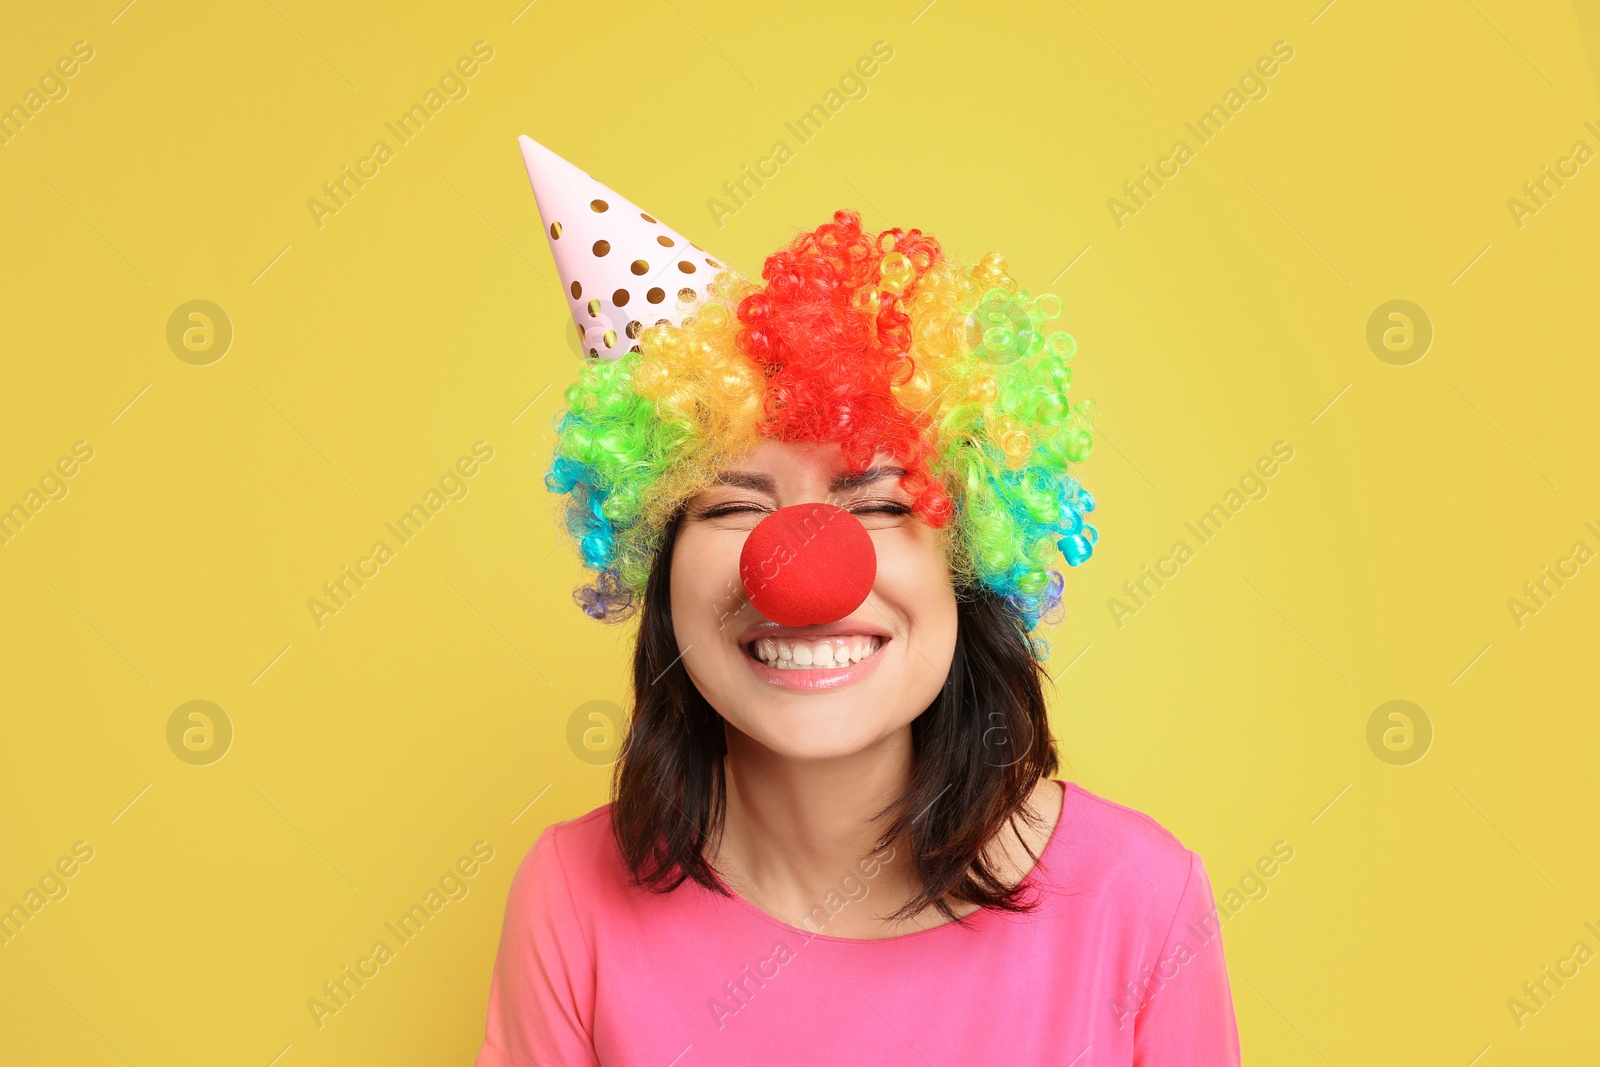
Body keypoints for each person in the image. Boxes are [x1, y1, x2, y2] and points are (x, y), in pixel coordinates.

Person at [474, 137, 1241, 1066]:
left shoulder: (1141, 902)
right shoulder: (570, 899)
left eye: (878, 502)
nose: (800, 566)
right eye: (731, 503)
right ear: (658, 563)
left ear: (968, 557)